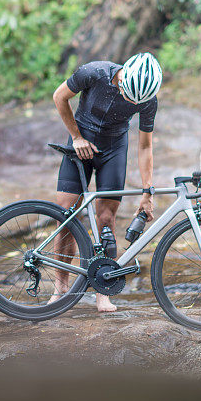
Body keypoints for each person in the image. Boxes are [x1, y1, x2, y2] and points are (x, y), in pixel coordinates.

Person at [50, 52, 162, 312]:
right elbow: (60, 96)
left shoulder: (148, 101)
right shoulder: (95, 72)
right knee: (67, 214)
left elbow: (145, 146)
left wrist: (148, 191)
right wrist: (76, 137)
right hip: (81, 139)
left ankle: (103, 292)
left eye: (133, 100)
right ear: (122, 76)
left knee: (106, 219)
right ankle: (60, 286)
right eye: (126, 92)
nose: (126, 100)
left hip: (113, 148)